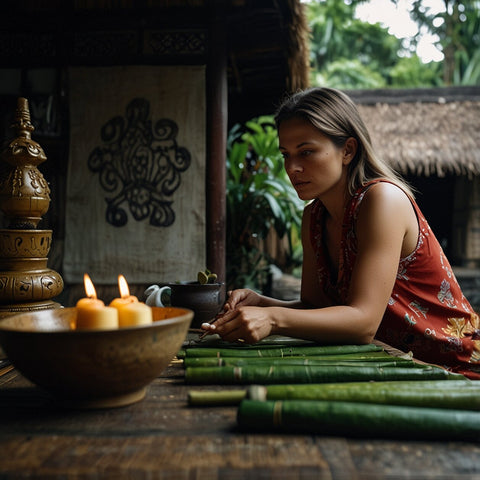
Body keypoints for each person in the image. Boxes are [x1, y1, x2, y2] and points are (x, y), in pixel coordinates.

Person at [201, 87, 480, 379]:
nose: (292, 168)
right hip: (395, 369)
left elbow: (362, 323)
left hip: (456, 373)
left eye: (306, 152)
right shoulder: (314, 216)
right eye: (286, 154)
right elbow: (317, 308)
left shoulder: (382, 200)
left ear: (347, 150)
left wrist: (272, 318)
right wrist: (262, 303)